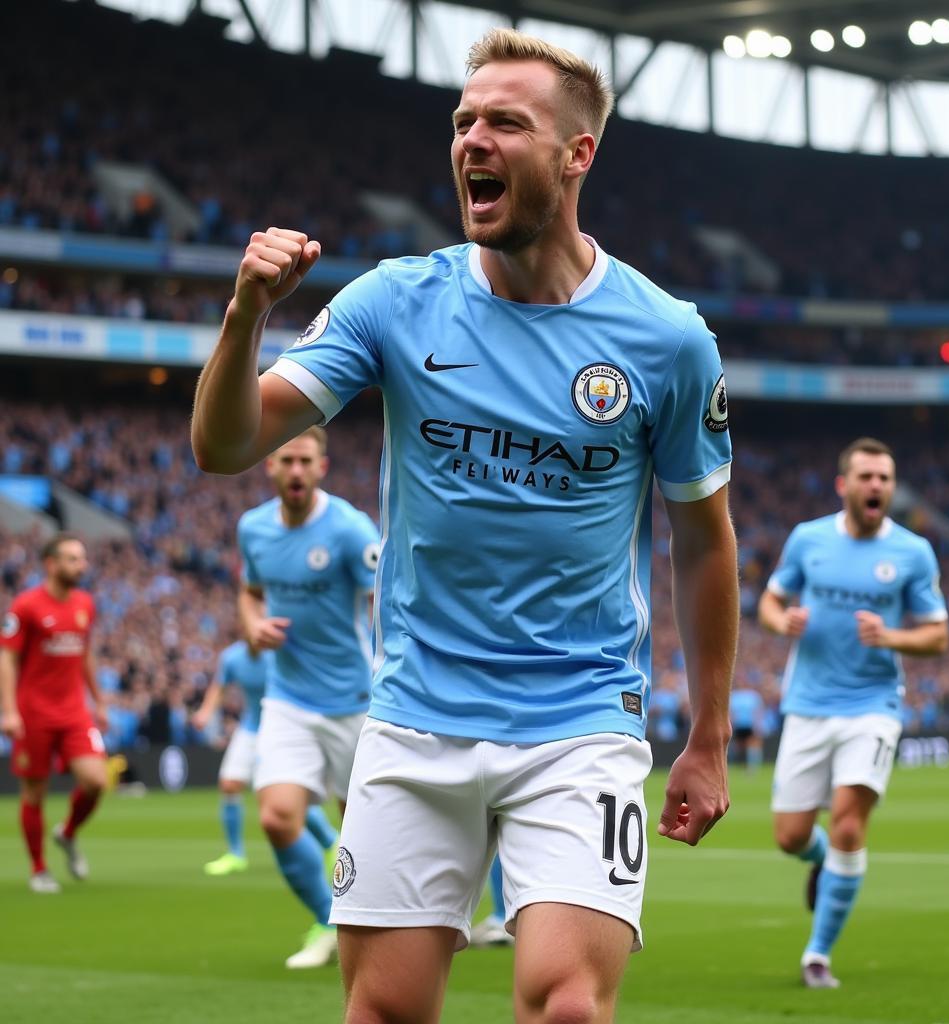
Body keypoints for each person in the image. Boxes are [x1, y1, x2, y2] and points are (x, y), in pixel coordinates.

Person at [192, 28, 737, 1023]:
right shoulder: (396, 302)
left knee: (566, 1003)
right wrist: (244, 320)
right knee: (384, 1011)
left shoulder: (666, 339)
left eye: (504, 122)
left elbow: (702, 543)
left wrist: (707, 734)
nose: (471, 140)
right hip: (412, 718)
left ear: (577, 154)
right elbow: (226, 445)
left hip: (578, 723)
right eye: (462, 121)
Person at [758, 437, 949, 989]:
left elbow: (937, 637)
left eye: (884, 479)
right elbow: (771, 600)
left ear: (892, 488)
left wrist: (889, 636)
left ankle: (817, 955)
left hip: (873, 705)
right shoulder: (807, 539)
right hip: (808, 704)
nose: (876, 487)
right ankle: (826, 862)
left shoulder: (913, 552)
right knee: (791, 837)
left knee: (846, 822)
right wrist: (779, 623)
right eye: (866, 477)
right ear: (844, 485)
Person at [236, 427, 380, 969]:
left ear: (322, 467)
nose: (295, 470)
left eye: (305, 461)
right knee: (276, 818)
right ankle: (328, 920)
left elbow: (386, 599)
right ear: (268, 466)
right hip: (288, 697)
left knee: (362, 833)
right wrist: (253, 627)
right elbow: (250, 594)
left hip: (354, 701)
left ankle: (377, 930)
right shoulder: (253, 529)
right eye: (285, 460)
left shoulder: (347, 530)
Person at [0, 533, 108, 893]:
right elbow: (7, 659)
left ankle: (67, 832)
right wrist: (10, 711)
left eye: (83, 558)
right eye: (73, 559)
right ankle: (39, 869)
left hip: (75, 711)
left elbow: (86, 654)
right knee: (34, 793)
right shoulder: (26, 606)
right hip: (34, 713)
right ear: (51, 564)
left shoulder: (85, 604)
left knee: (96, 781)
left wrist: (99, 700)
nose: (82, 565)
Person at [192, 638, 339, 876]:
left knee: (286, 795)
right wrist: (206, 712)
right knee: (229, 784)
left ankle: (331, 841)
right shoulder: (232, 658)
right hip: (250, 728)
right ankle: (236, 854)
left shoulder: (280, 654)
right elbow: (220, 687)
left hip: (282, 728)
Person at [728, 678, 765, 772]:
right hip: (738, 725)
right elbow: (731, 713)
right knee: (736, 747)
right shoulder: (734, 695)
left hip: (750, 725)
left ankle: (752, 768)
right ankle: (730, 765)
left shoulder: (753, 695)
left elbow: (758, 712)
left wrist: (758, 725)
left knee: (752, 745)